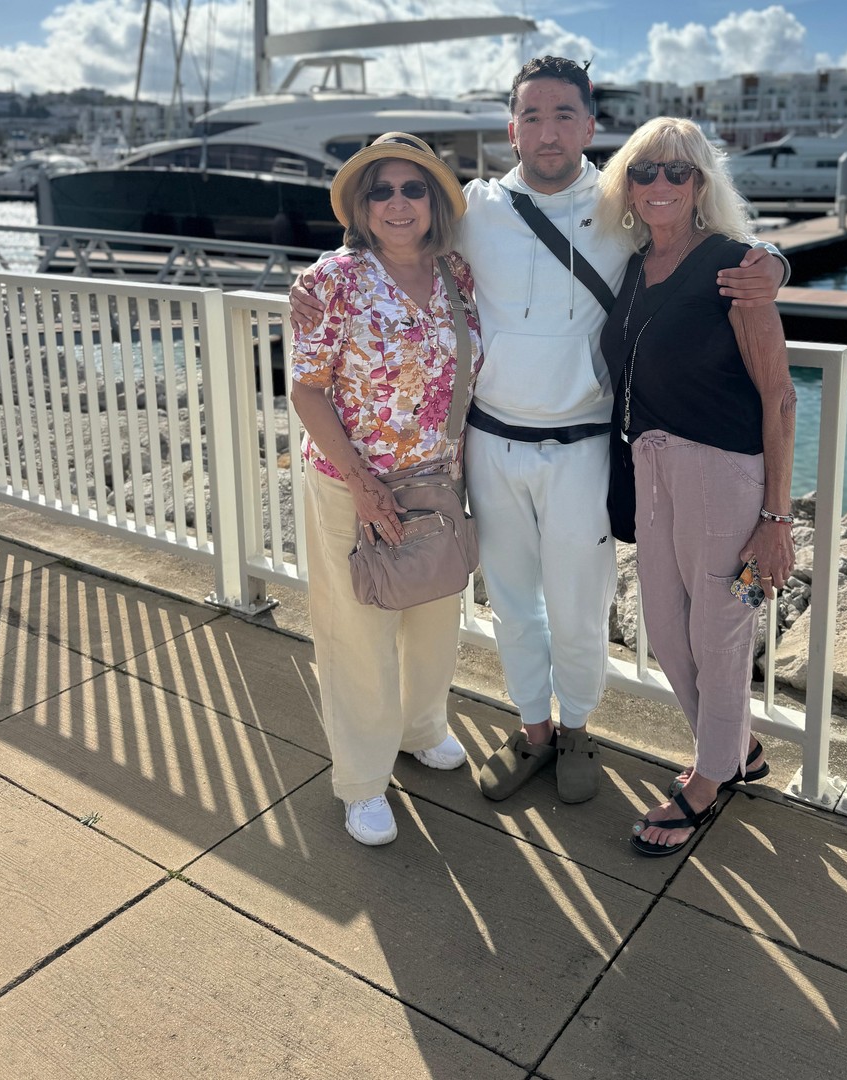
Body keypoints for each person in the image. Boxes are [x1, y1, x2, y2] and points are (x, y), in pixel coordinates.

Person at [289, 57, 789, 809]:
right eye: (532, 116)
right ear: (511, 128)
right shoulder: (476, 209)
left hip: (585, 446)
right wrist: (311, 278)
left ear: (590, 126)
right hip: (490, 444)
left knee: (582, 606)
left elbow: (702, 237)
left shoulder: (621, 203)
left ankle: (579, 727)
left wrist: (774, 263)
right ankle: (533, 728)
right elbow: (393, 241)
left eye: (564, 116)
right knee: (513, 604)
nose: (548, 132)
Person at [597, 117, 796, 856]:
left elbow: (779, 396)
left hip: (723, 472)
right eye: (644, 171)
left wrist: (777, 517)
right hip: (650, 466)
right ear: (626, 183)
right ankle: (739, 748)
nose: (660, 184)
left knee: (720, 631)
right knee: (666, 625)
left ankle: (711, 777)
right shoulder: (632, 265)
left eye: (677, 171)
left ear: (700, 184)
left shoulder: (734, 266)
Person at [289, 133, 483, 846]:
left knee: (434, 610)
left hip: (437, 477)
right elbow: (307, 390)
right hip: (356, 483)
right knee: (358, 630)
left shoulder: (456, 272)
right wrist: (361, 481)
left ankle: (420, 728)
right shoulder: (334, 280)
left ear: (434, 202)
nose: (398, 204)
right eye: (381, 191)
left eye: (413, 189)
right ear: (362, 207)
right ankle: (362, 780)